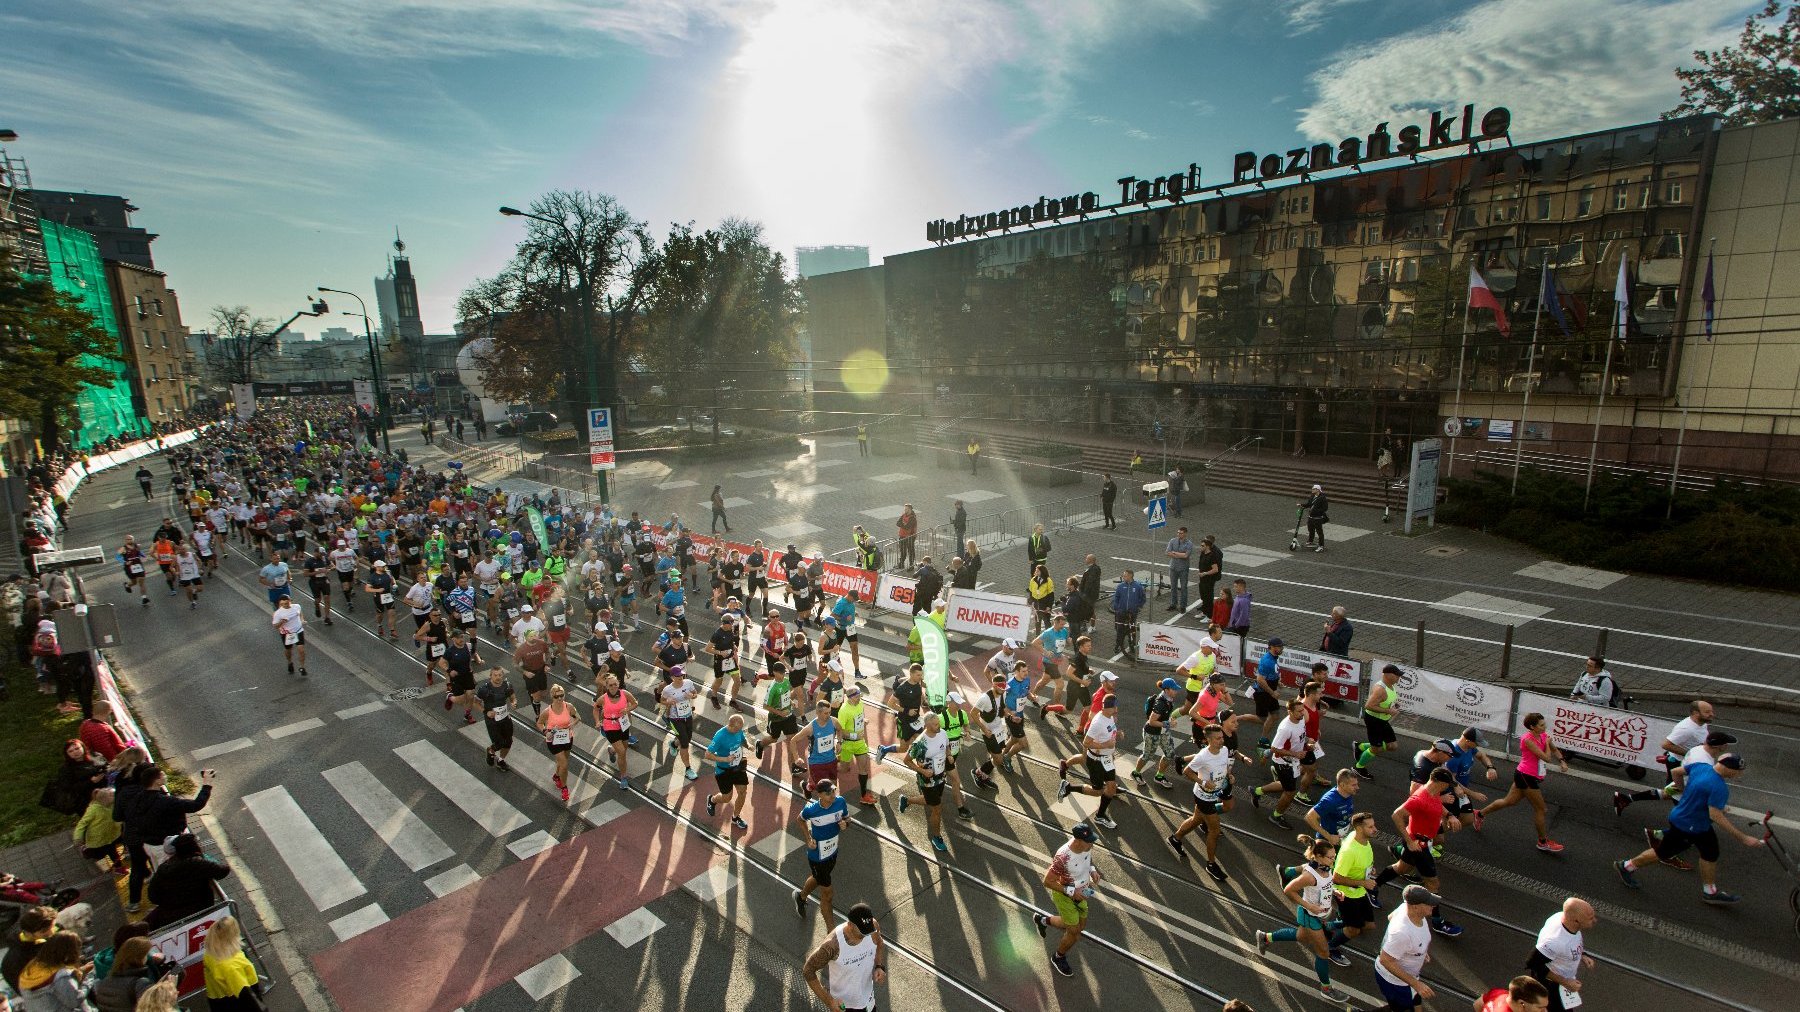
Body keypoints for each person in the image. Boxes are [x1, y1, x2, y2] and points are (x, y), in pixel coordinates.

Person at [1616, 753, 1762, 903]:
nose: (1740, 774)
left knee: (1710, 852)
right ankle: (1626, 866)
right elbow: (1716, 816)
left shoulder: (1701, 767)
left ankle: (1710, 891)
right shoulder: (1719, 787)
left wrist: (1683, 790)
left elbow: (1675, 772)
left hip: (1691, 820)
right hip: (1689, 825)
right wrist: (1744, 838)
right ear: (1728, 768)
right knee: (1663, 852)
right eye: (1738, 770)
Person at [1254, 835, 1351, 1003]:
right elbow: (1289, 890)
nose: (1334, 859)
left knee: (1300, 936)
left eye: (1334, 856)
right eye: (1331, 857)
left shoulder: (1324, 866)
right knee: (1323, 952)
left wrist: (1334, 892)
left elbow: (1325, 884)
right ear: (1319, 856)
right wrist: (1309, 906)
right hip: (1310, 917)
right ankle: (1326, 989)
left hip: (1318, 914)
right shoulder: (1309, 875)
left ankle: (1265, 937)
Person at [1374, 768, 1464, 937]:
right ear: (1439, 782)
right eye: (1447, 784)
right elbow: (1396, 815)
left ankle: (1373, 886)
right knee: (1433, 884)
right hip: (1419, 846)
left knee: (1401, 868)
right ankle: (1437, 922)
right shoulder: (1420, 798)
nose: (1448, 788)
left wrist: (1450, 815)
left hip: (1420, 843)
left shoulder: (1433, 792)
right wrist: (1409, 841)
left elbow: (1438, 805)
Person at [1477, 712, 1568, 853]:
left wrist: (1562, 761)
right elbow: (1547, 758)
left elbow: (1555, 750)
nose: (1545, 728)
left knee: (1509, 801)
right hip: (1526, 776)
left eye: (1545, 724)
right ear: (1532, 727)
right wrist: (1548, 746)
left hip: (1526, 775)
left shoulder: (1543, 736)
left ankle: (1479, 814)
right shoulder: (1527, 740)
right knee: (1541, 809)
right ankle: (1542, 842)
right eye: (1542, 725)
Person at [1167, 721, 1234, 883]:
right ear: (1209, 740)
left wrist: (1228, 776)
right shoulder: (1203, 756)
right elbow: (1187, 771)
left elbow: (1224, 766)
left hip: (1216, 792)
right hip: (1204, 796)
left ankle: (1175, 839)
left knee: (1196, 820)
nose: (1221, 740)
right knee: (1214, 830)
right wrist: (1203, 782)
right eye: (1217, 738)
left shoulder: (1224, 750)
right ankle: (1211, 864)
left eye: (1222, 737)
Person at [1034, 822, 1102, 977]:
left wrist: (1092, 871)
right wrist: (1072, 892)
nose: (1092, 843)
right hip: (1065, 895)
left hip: (1083, 891)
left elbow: (1087, 860)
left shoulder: (1086, 847)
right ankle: (1058, 957)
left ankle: (1043, 920)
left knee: (1080, 926)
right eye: (1089, 841)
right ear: (1077, 841)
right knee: (1074, 932)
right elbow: (1047, 881)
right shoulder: (1063, 857)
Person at [801, 902, 886, 1012]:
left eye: (868, 931)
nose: (866, 935)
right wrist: (829, 1001)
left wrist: (879, 966)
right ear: (850, 925)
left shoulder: (873, 927)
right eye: (862, 932)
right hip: (843, 1006)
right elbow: (808, 970)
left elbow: (879, 943)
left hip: (868, 1000)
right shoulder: (832, 945)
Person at [1057, 694, 1122, 830]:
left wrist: (1118, 734)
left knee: (1111, 787)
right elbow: (1086, 742)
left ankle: (1100, 816)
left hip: (1107, 759)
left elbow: (1110, 731)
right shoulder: (1098, 722)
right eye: (1115, 705)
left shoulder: (1109, 716)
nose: (1117, 708)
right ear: (1110, 707)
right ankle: (1068, 788)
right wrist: (1105, 745)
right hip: (1096, 761)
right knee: (1098, 791)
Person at [1374, 885, 1442, 1010]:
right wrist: (1416, 984)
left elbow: (1390, 916)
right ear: (1415, 907)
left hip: (1409, 979)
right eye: (1428, 903)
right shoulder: (1401, 932)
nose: (1433, 906)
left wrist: (1419, 952)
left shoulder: (1405, 908)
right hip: (1396, 982)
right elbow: (1385, 960)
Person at [794, 779, 850, 927]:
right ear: (819, 795)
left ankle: (800, 897)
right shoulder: (811, 810)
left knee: (817, 878)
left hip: (832, 851)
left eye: (834, 790)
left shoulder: (840, 802)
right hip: (817, 856)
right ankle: (830, 932)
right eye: (828, 793)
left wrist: (846, 823)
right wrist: (808, 838)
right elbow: (800, 820)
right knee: (828, 894)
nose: (832, 795)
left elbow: (847, 817)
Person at [145, 833, 231, 929]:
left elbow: (152, 896)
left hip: (170, 916)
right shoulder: (196, 863)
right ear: (193, 846)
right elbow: (223, 870)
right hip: (199, 912)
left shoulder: (164, 867)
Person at [1528, 898, 1596, 1012]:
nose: (1595, 920)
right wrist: (1566, 982)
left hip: (1563, 984)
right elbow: (1533, 963)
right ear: (1576, 921)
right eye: (1590, 918)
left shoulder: (1565, 918)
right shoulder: (1555, 941)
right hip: (1550, 988)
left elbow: (1572, 940)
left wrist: (1582, 954)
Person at [898, 712, 953, 851]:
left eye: (938, 723)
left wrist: (949, 755)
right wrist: (923, 771)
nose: (938, 726)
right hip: (927, 780)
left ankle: (907, 800)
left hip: (940, 776)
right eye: (935, 724)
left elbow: (946, 746)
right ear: (927, 726)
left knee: (930, 801)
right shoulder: (920, 743)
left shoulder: (942, 733)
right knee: (937, 809)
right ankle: (936, 837)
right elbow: (907, 760)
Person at [1251, 698, 1308, 828]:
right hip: (1283, 762)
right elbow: (1274, 748)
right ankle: (1276, 816)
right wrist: (1296, 754)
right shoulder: (1285, 728)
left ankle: (1257, 791)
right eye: (1299, 711)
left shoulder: (1301, 719)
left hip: (1294, 760)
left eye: (1302, 710)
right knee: (1290, 792)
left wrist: (1307, 741)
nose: (1302, 713)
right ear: (1290, 712)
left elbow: (1301, 734)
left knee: (1285, 784)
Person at [15, 929, 90, 1012]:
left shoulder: (31, 968)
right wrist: (88, 980)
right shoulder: (60, 977)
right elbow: (75, 1000)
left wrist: (79, 972)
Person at [89, 937, 170, 1012]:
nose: (148, 957)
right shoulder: (140, 983)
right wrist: (168, 989)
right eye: (146, 954)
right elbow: (157, 1007)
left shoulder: (103, 982)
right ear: (139, 958)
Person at [201, 916, 262, 1012]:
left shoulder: (210, 953)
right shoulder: (232, 966)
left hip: (217, 1000)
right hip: (235, 1003)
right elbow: (245, 995)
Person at [1353, 662, 1402, 779]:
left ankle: (1360, 747)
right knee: (1376, 748)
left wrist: (1393, 706)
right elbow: (1368, 706)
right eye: (1397, 675)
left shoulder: (1390, 686)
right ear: (1388, 675)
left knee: (1392, 746)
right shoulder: (1380, 689)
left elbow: (1385, 702)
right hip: (1374, 720)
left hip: (1382, 720)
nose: (1399, 677)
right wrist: (1388, 711)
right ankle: (1358, 768)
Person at [704, 713, 752, 831]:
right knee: (727, 798)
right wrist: (724, 759)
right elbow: (707, 755)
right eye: (738, 729)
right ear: (731, 726)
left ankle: (736, 818)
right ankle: (712, 800)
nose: (740, 731)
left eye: (741, 729)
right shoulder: (720, 736)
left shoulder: (738, 730)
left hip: (738, 766)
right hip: (723, 771)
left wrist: (748, 745)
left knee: (743, 791)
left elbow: (742, 739)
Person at [535, 685, 581, 802]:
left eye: (562, 695)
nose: (560, 698)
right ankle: (564, 789)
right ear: (552, 696)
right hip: (553, 740)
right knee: (564, 765)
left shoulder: (568, 706)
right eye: (557, 696)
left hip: (567, 738)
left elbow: (578, 717)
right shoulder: (547, 711)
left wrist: (573, 723)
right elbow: (539, 723)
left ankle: (556, 776)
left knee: (562, 762)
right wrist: (546, 732)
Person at [594, 673, 638, 789]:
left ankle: (612, 750)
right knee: (622, 752)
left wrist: (627, 709)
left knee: (624, 748)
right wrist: (597, 721)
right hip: (610, 726)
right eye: (611, 685)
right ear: (607, 686)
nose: (613, 687)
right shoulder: (603, 698)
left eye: (615, 684)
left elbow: (635, 703)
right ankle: (623, 777)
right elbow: (595, 708)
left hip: (623, 724)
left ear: (618, 684)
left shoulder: (625, 694)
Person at [3, 907, 56, 992]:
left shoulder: (33, 936)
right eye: (44, 931)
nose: (51, 932)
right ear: (29, 932)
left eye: (53, 926)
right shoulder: (20, 958)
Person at [476, 667, 517, 770]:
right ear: (490, 676)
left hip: (505, 718)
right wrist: (486, 712)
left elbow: (513, 697)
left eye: (500, 675)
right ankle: (491, 750)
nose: (498, 677)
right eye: (495, 675)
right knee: (499, 743)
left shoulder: (507, 686)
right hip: (492, 721)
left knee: (508, 742)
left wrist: (514, 702)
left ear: (502, 675)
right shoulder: (484, 689)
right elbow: (475, 703)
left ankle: (501, 760)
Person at [1109, 569, 1145, 655]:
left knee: (1132, 629)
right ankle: (1118, 645)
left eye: (1125, 575)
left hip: (1132, 612)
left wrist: (1138, 607)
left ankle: (1132, 645)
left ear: (1130, 576)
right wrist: (1117, 608)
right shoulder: (1120, 586)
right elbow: (1116, 598)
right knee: (1119, 629)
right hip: (1121, 613)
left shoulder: (1138, 587)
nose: (1123, 577)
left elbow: (1143, 598)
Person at [271, 594, 308, 677]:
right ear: (280, 603)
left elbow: (300, 613)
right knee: (289, 650)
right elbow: (275, 626)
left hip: (298, 631)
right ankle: (290, 662)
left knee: (301, 650)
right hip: (288, 634)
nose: (286, 605)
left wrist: (302, 620)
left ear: (290, 601)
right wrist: (282, 622)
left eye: (287, 603)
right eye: (283, 604)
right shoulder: (278, 613)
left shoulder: (296, 606)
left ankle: (302, 667)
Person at [1478, 976, 1552, 1012]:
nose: (1545, 1011)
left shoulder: (1499, 993)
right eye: (1540, 1007)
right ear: (1522, 1003)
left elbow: (1477, 1004)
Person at [1164, 526, 1193, 613]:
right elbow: (1167, 552)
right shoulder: (1172, 541)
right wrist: (1180, 554)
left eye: (1181, 533)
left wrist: (1174, 553)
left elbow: (1186, 556)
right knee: (1173, 587)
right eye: (1178, 532)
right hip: (1173, 567)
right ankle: (1173, 604)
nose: (1179, 534)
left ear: (1185, 534)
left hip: (1183, 568)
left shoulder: (1189, 544)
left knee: (1184, 587)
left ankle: (1183, 606)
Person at [1300, 483, 1329, 552]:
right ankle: (1310, 541)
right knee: (1310, 530)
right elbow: (1309, 504)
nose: (1312, 490)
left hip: (1318, 518)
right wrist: (1302, 505)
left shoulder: (1322, 498)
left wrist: (1316, 511)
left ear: (1318, 490)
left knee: (1319, 532)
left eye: (1313, 489)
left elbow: (1325, 508)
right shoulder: (1313, 496)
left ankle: (1321, 546)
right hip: (1311, 517)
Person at [894, 504, 917, 570]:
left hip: (910, 537)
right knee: (902, 551)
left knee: (911, 551)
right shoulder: (904, 515)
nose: (905, 510)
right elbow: (897, 523)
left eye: (906, 509)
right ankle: (901, 564)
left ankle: (911, 565)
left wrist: (902, 524)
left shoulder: (913, 518)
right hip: (902, 536)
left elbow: (907, 527)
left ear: (910, 509)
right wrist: (904, 524)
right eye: (905, 509)